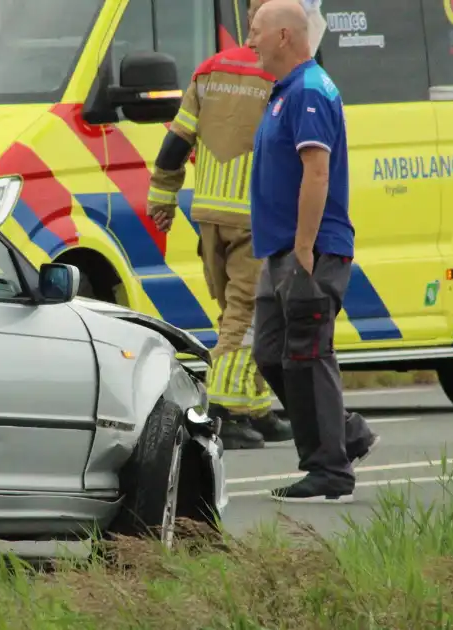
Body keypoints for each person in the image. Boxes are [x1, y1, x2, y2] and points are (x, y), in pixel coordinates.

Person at [146, 0, 293, 450]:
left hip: (209, 212)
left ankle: (254, 405)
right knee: (246, 315)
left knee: (233, 309)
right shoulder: (284, 76)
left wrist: (163, 197)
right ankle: (223, 412)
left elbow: (177, 141)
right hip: (255, 216)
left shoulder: (209, 70)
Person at [247, 0, 377, 503]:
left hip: (311, 250)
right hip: (280, 251)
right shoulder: (283, 93)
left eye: (257, 31)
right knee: (271, 354)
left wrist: (304, 246)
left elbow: (316, 172)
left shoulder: (310, 91)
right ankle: (343, 435)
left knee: (306, 352)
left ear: (284, 36)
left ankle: (330, 471)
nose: (250, 40)